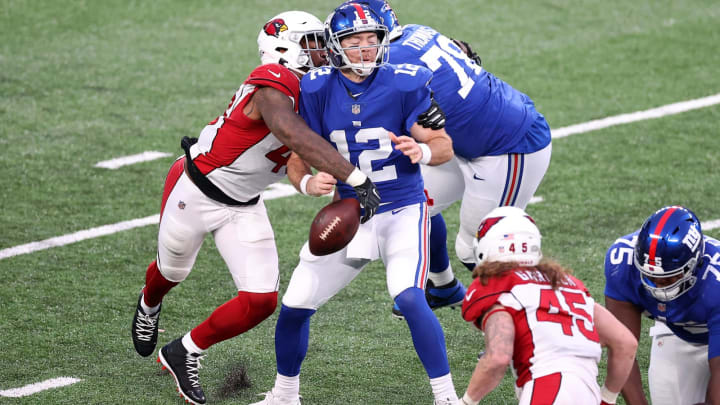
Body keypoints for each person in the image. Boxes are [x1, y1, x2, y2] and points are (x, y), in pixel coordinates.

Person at [129, 10, 382, 405]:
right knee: (171, 272)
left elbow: (302, 148)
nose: (323, 50)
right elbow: (288, 131)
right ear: (286, 48)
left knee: (261, 300)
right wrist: (354, 177)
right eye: (313, 42)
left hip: (245, 204)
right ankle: (150, 303)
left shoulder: (317, 87)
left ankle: (183, 351)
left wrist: (307, 181)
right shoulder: (273, 79)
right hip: (196, 190)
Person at [251, 3, 460, 404]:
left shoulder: (405, 83)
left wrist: (422, 152)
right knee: (295, 303)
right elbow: (298, 153)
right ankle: (284, 395)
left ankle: (447, 397)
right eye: (355, 40)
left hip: (402, 209)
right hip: (352, 214)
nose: (365, 49)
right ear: (335, 45)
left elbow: (444, 145)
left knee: (411, 297)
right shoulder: (315, 87)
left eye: (372, 40)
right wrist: (307, 181)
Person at [346, 0, 552, 318]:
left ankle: (551, 312)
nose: (355, 47)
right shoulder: (416, 32)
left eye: (362, 39)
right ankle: (442, 287)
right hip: (464, 142)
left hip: (509, 145)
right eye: (350, 39)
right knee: (407, 204)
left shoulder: (390, 66)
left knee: (477, 245)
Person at [459, 206, 637, 405]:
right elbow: (625, 343)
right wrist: (607, 398)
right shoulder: (567, 283)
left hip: (548, 387)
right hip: (588, 391)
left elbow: (498, 357)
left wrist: (465, 402)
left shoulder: (498, 285)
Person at [603, 205, 720, 405]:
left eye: (667, 279)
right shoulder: (622, 264)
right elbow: (621, 346)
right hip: (677, 332)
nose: (657, 286)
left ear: (694, 264)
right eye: (650, 276)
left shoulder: (715, 283)